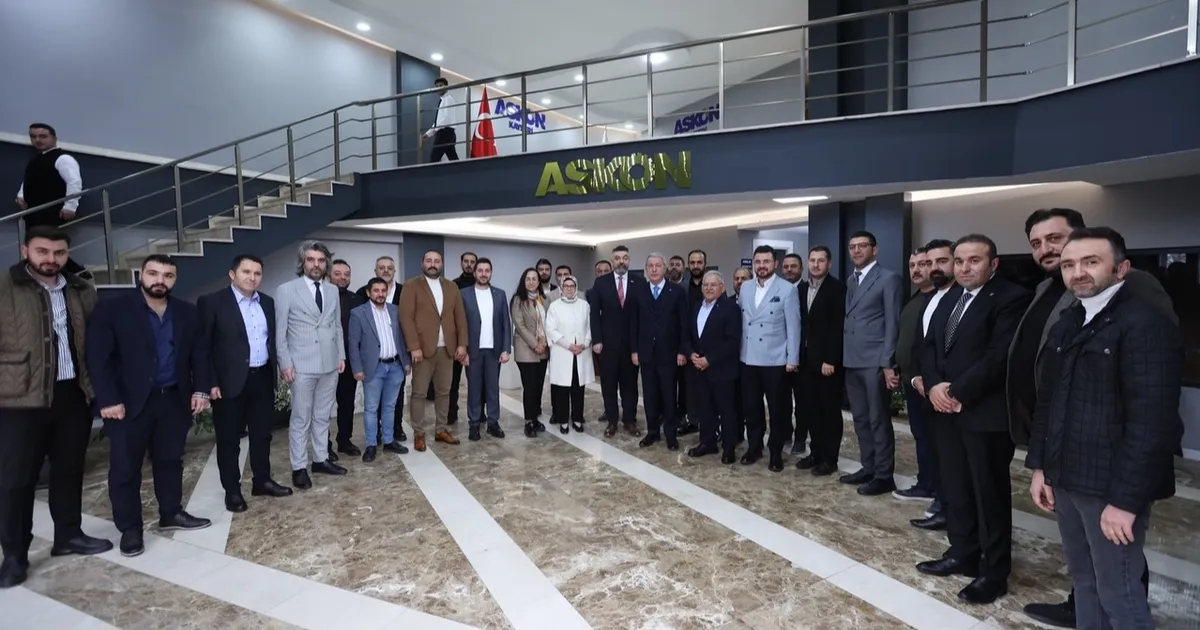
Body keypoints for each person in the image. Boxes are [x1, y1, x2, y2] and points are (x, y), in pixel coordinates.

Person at [1028, 227, 1182, 630]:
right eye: (1069, 265)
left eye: (1091, 262)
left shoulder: (1144, 323)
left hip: (1109, 487)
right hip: (1066, 477)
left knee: (1119, 593)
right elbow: (1049, 402)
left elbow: (1153, 423)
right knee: (1084, 581)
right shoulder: (1070, 320)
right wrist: (1041, 467)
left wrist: (1126, 502)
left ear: (1121, 268)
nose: (1078, 272)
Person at [916, 234, 1031, 605]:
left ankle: (993, 572)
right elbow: (930, 348)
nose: (964, 268)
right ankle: (962, 553)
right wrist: (934, 385)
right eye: (959, 261)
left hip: (983, 414)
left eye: (974, 260)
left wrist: (955, 392)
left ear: (993, 264)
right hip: (945, 412)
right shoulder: (950, 297)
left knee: (988, 495)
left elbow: (998, 357)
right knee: (956, 488)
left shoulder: (1011, 298)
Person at [0, 226, 111, 588]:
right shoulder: (5, 286)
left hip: (72, 394)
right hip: (20, 399)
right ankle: (15, 555)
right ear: (25, 251)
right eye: (42, 252)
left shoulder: (81, 289)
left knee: (69, 470)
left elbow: (95, 340)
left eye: (59, 253)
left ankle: (68, 535)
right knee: (16, 480)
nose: (51, 259)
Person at [87, 255, 214, 557]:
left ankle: (171, 512)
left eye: (168, 275)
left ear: (174, 279)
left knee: (170, 460)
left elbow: (199, 354)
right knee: (126, 467)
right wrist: (108, 399)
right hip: (128, 403)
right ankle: (130, 528)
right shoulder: (113, 310)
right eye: (153, 273)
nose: (160, 280)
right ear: (140, 275)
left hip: (173, 399)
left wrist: (200, 390)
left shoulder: (187, 312)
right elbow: (98, 357)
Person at [197, 254, 293, 514]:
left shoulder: (267, 303)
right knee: (229, 439)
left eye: (257, 273)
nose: (252, 277)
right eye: (246, 272)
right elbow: (203, 346)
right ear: (232, 274)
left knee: (262, 434)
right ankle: (232, 490)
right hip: (228, 383)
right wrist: (210, 382)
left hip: (262, 378)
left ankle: (262, 480)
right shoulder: (212, 302)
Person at [275, 241, 348, 489]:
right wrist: (285, 363)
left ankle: (320, 459)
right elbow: (280, 332)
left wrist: (341, 355)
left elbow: (337, 326)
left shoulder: (332, 290)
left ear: (326, 264)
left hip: (330, 364)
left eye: (320, 260)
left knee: (323, 415)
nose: (316, 264)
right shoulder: (286, 290)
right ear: (302, 262)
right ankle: (299, 467)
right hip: (301, 366)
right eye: (311, 259)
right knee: (300, 418)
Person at [840, 230, 903, 496]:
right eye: (852, 246)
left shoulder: (888, 279)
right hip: (852, 360)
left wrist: (888, 363)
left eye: (862, 246)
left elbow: (893, 323)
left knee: (878, 420)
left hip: (875, 361)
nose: (856, 251)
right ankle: (869, 467)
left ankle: (884, 475)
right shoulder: (851, 280)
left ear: (874, 250)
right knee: (861, 419)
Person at [908, 239, 957, 530]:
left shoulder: (960, 298)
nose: (933, 268)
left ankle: (949, 507)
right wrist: (917, 377)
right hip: (924, 388)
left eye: (941, 261)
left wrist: (937, 384)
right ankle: (942, 501)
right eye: (929, 263)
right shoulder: (930, 299)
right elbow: (922, 346)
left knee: (949, 456)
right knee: (932, 446)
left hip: (947, 392)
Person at [398, 250, 468, 451]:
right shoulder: (411, 286)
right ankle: (419, 434)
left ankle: (441, 430)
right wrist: (413, 347)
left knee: (444, 392)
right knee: (419, 393)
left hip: (447, 349)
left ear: (442, 264)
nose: (433, 264)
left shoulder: (452, 287)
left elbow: (460, 318)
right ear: (422, 263)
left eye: (437, 261)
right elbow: (406, 318)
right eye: (429, 260)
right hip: (422, 350)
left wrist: (462, 344)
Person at [738, 245, 801, 471]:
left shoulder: (787, 289)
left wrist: (792, 359)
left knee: (777, 409)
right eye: (758, 262)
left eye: (766, 261)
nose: (761, 266)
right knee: (751, 407)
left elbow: (793, 327)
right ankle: (754, 446)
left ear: (775, 264)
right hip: (748, 358)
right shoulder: (745, 287)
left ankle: (775, 451)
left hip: (775, 359)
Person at [630, 253, 690, 450]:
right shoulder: (639, 291)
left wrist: (682, 351)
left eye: (658, 265)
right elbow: (634, 323)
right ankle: (653, 432)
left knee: (669, 395)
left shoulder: (677, 291)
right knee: (649, 395)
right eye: (650, 266)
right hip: (646, 353)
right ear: (646, 269)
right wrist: (634, 350)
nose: (654, 269)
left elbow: (683, 323)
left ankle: (670, 434)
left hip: (669, 354)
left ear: (665, 268)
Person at [348, 277, 411, 462]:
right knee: (371, 408)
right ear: (369, 292)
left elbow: (402, 338)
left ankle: (389, 440)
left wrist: (406, 362)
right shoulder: (358, 313)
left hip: (395, 366)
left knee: (390, 406)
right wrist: (357, 368)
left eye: (383, 291)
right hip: (373, 368)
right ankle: (371, 444)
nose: (380, 294)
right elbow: (353, 344)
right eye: (376, 290)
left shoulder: (395, 310)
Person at [796, 245, 846, 477]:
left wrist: (831, 359)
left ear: (829, 263)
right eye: (812, 260)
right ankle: (815, 453)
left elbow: (838, 327)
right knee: (810, 409)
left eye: (821, 260)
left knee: (829, 411)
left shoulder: (837, 289)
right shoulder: (802, 288)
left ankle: (829, 459)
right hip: (805, 360)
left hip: (827, 363)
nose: (815, 264)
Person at [893, 247, 938, 502]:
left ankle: (934, 487)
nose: (917, 270)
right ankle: (926, 482)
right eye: (913, 266)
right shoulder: (914, 299)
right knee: (921, 434)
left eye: (923, 264)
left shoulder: (941, 299)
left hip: (929, 382)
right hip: (911, 379)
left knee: (932, 437)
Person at [686, 271, 742, 461]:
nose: (708, 288)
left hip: (722, 370)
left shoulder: (730, 308)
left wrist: (709, 359)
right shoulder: (696, 307)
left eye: (713, 285)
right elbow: (690, 335)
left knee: (726, 411)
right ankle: (707, 443)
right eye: (705, 285)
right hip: (699, 369)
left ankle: (728, 448)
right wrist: (690, 353)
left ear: (722, 287)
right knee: (704, 409)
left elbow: (732, 341)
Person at [589, 245, 641, 437]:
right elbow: (595, 313)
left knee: (630, 386)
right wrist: (597, 340)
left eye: (625, 258)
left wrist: (638, 347)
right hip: (608, 345)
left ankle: (629, 420)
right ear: (612, 261)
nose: (621, 261)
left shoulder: (639, 282)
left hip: (631, 345)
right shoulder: (601, 283)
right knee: (609, 385)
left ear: (629, 260)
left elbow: (641, 315)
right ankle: (612, 421)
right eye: (617, 258)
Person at [460, 258, 512, 441]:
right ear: (474, 273)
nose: (483, 274)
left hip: (494, 351)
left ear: (491, 273)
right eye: (480, 270)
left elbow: (506, 323)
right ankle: (474, 424)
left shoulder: (500, 294)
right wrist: (463, 349)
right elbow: (460, 324)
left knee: (492, 389)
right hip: (472, 351)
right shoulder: (464, 294)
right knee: (474, 389)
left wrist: (506, 349)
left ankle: (493, 423)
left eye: (487, 270)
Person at [546, 276, 593, 434]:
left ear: (576, 287)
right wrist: (569, 345)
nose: (569, 288)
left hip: (581, 353)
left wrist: (585, 344)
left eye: (572, 286)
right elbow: (551, 329)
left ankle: (578, 419)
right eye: (566, 286)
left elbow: (590, 327)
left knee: (578, 388)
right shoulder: (554, 306)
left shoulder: (585, 305)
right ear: (561, 288)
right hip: (563, 352)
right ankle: (563, 421)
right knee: (562, 389)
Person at [329, 259, 361, 457]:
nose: (342, 277)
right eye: (337, 273)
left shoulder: (357, 299)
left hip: (349, 361)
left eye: (346, 274)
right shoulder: (320, 297)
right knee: (323, 407)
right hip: (325, 361)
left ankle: (344, 441)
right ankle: (324, 446)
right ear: (328, 275)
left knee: (347, 404)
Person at [511, 268, 550, 434]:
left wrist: (544, 343)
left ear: (539, 282)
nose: (531, 282)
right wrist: (535, 344)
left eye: (534, 279)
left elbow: (549, 323)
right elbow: (520, 326)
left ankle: (535, 418)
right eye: (528, 279)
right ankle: (529, 422)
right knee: (530, 386)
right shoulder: (518, 300)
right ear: (523, 281)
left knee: (539, 386)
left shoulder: (543, 299)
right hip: (526, 349)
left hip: (543, 349)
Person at [445, 252, 478, 423]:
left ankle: (478, 413)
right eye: (466, 261)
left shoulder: (481, 285)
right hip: (456, 341)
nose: (469, 264)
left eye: (472, 262)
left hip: (476, 341)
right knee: (453, 381)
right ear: (461, 263)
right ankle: (451, 412)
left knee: (477, 381)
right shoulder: (453, 285)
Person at [424, 77, 460, 162]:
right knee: (453, 158)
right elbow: (438, 121)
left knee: (434, 159)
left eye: (441, 85)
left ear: (446, 86)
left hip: (445, 133)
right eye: (437, 86)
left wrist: (435, 130)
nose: (438, 88)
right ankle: (463, 170)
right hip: (446, 133)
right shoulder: (443, 100)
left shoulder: (448, 99)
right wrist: (429, 133)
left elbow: (446, 118)